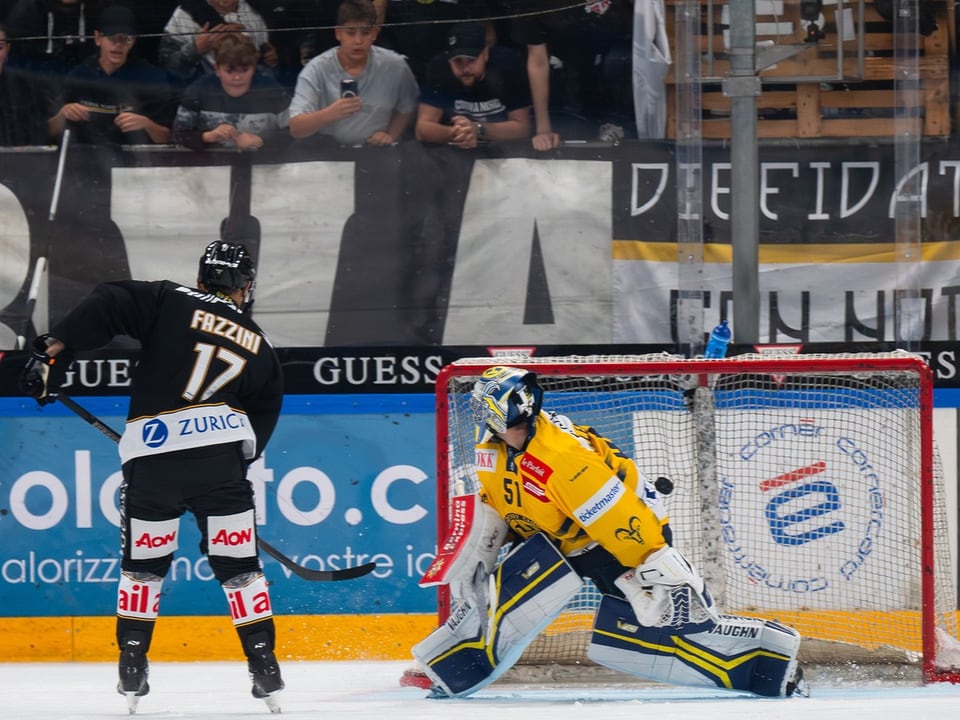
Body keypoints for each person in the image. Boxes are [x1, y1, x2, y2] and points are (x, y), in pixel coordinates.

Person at [411, 366, 808, 699]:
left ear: (504, 412)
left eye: (487, 409)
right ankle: (450, 667)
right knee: (497, 604)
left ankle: (771, 664)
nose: (482, 417)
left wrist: (660, 569)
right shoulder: (494, 445)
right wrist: (479, 548)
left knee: (662, 631)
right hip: (562, 542)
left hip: (612, 546)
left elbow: (623, 522)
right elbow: (498, 497)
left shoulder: (564, 461)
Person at [18, 240, 286, 714]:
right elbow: (261, 419)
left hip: (154, 467)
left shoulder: (170, 299)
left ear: (203, 278)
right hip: (221, 468)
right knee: (239, 566)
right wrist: (224, 462)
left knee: (145, 566)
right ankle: (263, 659)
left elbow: (109, 302)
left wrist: (53, 351)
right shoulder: (260, 344)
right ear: (245, 287)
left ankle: (132, 659)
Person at [287, 0, 417, 147]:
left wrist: (389, 136)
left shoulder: (396, 66)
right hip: (329, 153)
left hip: (375, 151)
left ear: (374, 33)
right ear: (338, 33)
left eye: (365, 32)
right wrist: (330, 113)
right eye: (350, 32)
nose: (358, 40)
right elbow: (296, 129)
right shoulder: (316, 69)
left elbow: (407, 107)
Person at [50, 5, 177, 145]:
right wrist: (63, 114)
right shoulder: (78, 75)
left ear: (134, 41)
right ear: (97, 38)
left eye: (126, 39)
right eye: (112, 38)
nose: (118, 45)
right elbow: (47, 133)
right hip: (87, 157)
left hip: (135, 160)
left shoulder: (152, 78)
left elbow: (168, 138)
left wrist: (147, 124)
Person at [415, 21, 531, 149]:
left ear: (486, 53)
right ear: (448, 58)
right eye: (458, 61)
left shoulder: (507, 65)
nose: (465, 69)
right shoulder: (439, 68)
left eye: (472, 60)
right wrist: (456, 133)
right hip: (454, 151)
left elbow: (522, 128)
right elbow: (422, 129)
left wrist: (478, 129)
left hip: (501, 149)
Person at [172, 31, 291, 150]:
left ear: (254, 68)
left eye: (244, 70)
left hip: (263, 164)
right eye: (229, 71)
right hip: (211, 164)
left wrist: (261, 141)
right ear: (217, 69)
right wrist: (207, 136)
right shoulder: (198, 91)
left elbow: (293, 132)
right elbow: (178, 135)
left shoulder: (273, 91)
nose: (237, 77)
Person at [159, 0, 278, 90]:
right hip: (206, 95)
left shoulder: (255, 9)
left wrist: (269, 55)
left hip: (256, 92)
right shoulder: (183, 15)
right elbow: (169, 66)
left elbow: (265, 49)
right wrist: (196, 48)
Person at [3, 0, 99, 92]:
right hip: (34, 87)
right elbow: (15, 59)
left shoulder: (96, 9)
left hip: (82, 88)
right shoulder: (29, 9)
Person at [0, 20, 57, 144]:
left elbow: (37, 134)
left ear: (8, 49)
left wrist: (62, 117)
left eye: (0, 48)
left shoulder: (25, 87)